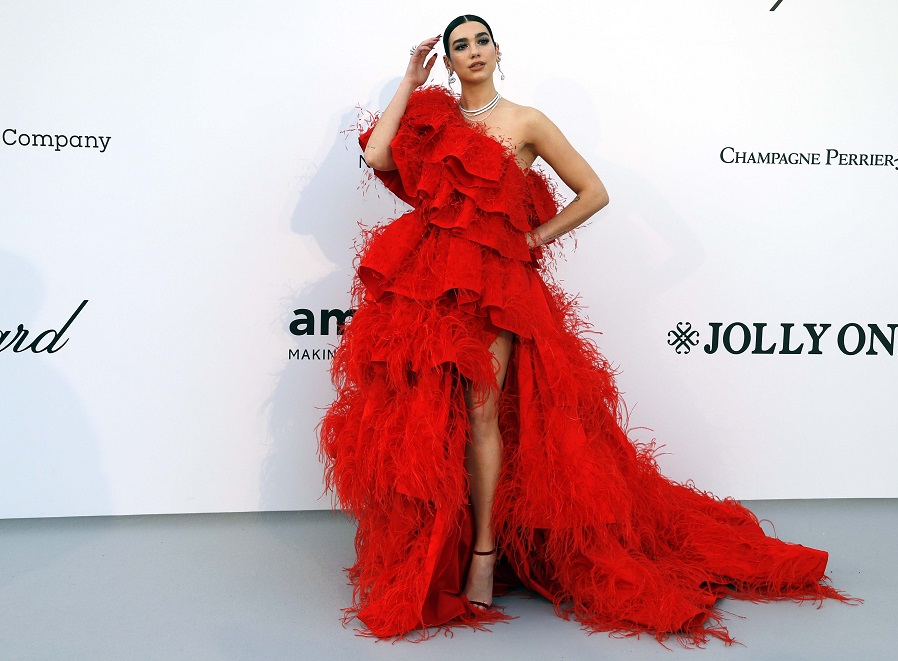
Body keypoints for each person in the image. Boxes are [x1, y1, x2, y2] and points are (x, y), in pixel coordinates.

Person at [319, 14, 852, 646]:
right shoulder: (433, 121)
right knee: (433, 421)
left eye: (481, 41)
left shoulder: (526, 121)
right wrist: (409, 79)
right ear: (450, 61)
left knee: (484, 415)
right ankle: (437, 553)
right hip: (433, 285)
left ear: (497, 49)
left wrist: (532, 240)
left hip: (496, 290)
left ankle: (483, 555)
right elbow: (378, 155)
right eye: (459, 46)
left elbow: (593, 191)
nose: (472, 52)